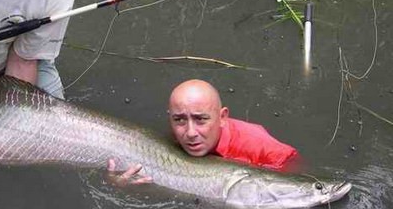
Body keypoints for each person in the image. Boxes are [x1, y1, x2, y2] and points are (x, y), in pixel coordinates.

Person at [107, 79, 299, 186]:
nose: (190, 133)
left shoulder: (264, 148)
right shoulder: (174, 137)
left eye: (201, 119)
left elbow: (296, 183)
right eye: (179, 119)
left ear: (222, 117)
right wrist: (116, 183)